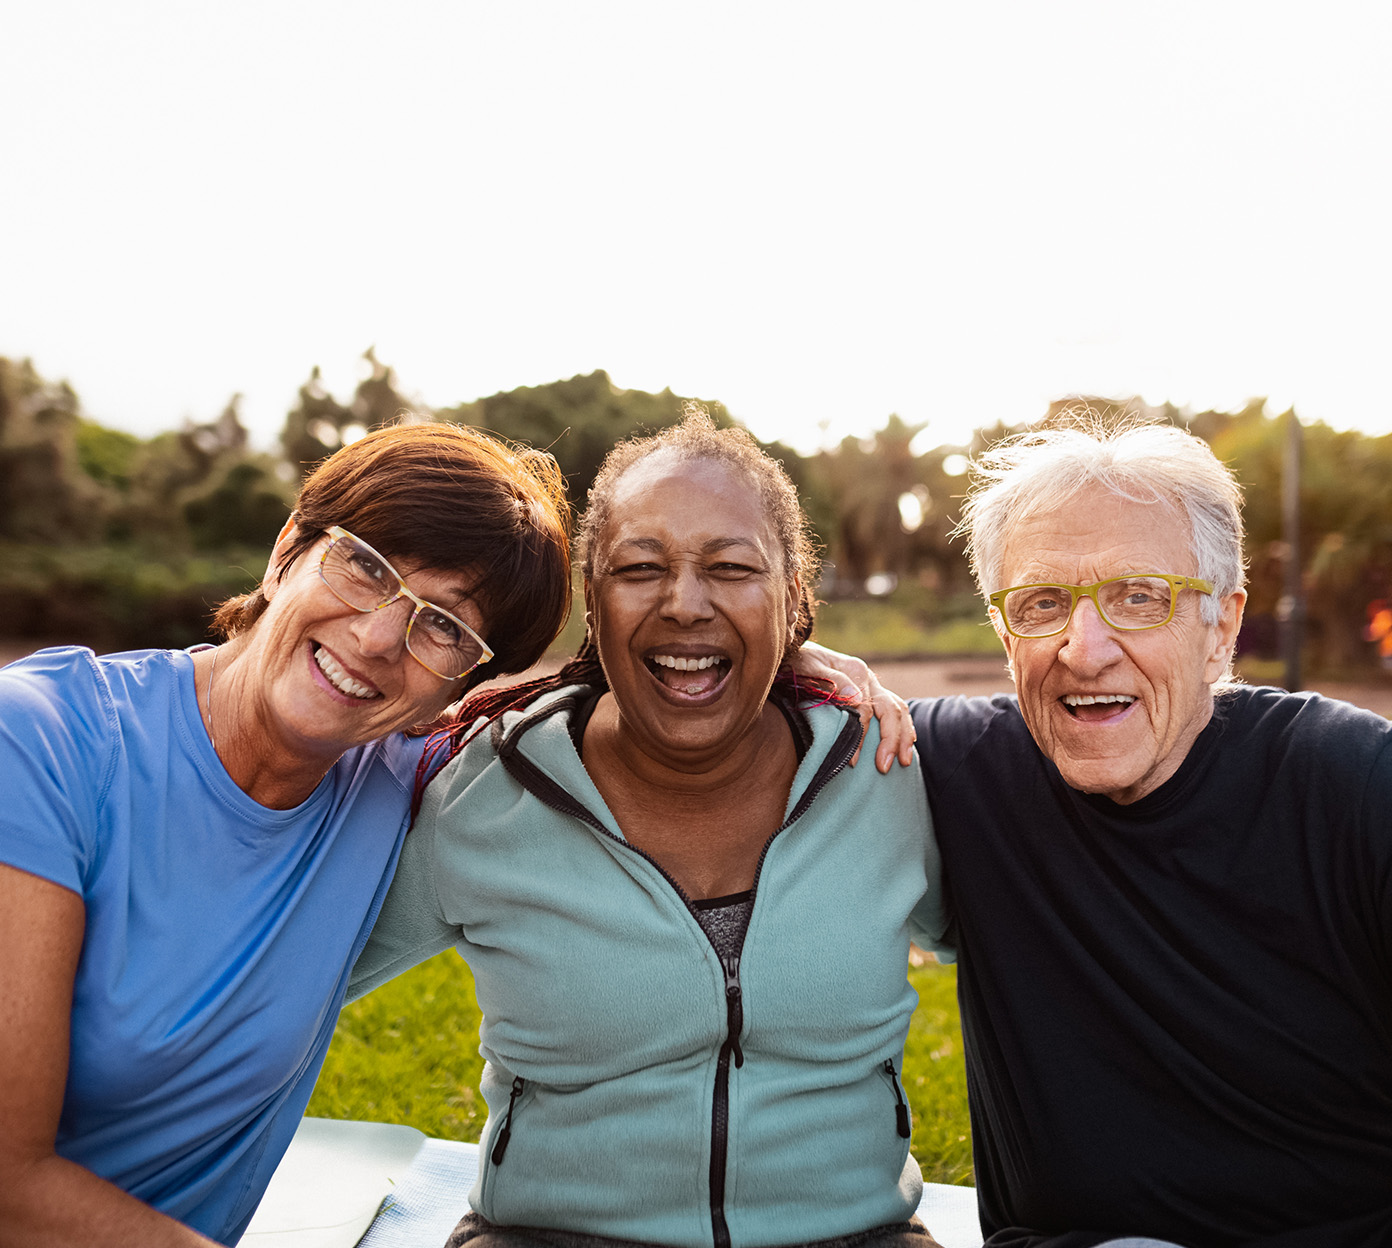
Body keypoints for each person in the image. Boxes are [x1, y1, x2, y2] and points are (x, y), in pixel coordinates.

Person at [352, 413, 949, 1248]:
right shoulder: (482, 792)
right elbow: (291, 984)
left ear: (795, 598)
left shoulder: (890, 771)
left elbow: (1032, 957)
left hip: (853, 1236)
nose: (685, 603)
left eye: (733, 568)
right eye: (640, 569)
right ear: (593, 606)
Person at [0, 421, 573, 1247]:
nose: (379, 638)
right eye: (366, 567)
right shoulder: (43, 741)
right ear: (286, 553)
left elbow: (619, 718)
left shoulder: (406, 778)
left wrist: (790, 662)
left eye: (443, 626)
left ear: (460, 686)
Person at [907, 421, 1392, 1248]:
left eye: (1141, 596)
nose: (1084, 649)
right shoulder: (954, 769)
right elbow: (726, 717)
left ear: (1222, 628)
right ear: (1003, 633)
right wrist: (814, 672)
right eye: (1041, 603)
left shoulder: (1357, 787)